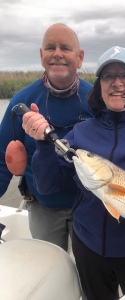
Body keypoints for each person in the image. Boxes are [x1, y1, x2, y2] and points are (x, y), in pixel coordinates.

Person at [22, 46, 125, 300]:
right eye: (108, 76)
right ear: (99, 85)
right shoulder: (82, 132)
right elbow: (48, 185)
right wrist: (42, 144)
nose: (117, 83)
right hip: (89, 251)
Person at [0, 23, 94, 251]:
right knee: (49, 267)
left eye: (66, 48)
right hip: (43, 207)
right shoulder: (20, 103)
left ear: (80, 57)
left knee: (89, 274)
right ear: (42, 56)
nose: (57, 54)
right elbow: (3, 158)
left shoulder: (96, 100)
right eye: (50, 48)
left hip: (89, 206)